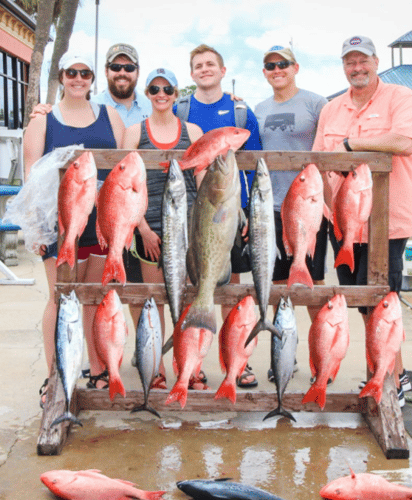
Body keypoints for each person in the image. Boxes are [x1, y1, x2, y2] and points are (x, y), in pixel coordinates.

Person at [312, 35, 412, 406]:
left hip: (387, 223)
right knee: (360, 303)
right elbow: (319, 159)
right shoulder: (331, 109)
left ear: (376, 62)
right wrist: (325, 212)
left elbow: (406, 142)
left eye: (363, 61)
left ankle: (394, 378)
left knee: (382, 303)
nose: (357, 68)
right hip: (343, 223)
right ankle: (378, 373)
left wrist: (353, 146)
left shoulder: (401, 97)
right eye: (350, 62)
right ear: (343, 66)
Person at [23, 50, 125, 403]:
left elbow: (126, 161)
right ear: (61, 76)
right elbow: (31, 176)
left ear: (93, 78)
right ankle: (53, 377)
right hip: (59, 222)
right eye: (71, 72)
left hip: (100, 222)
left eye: (85, 73)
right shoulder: (43, 120)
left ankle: (97, 369)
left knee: (93, 297)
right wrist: (36, 228)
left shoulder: (109, 115)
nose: (78, 78)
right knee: (59, 297)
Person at [175, 44, 263, 388]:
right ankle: (193, 364)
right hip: (188, 211)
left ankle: (237, 361)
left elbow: (256, 166)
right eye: (198, 65)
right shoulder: (182, 109)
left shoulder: (240, 112)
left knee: (232, 289)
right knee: (190, 283)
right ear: (192, 72)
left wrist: (248, 214)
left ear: (223, 70)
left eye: (211, 63)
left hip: (230, 212)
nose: (204, 69)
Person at [121, 68, 205, 389]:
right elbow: (126, 185)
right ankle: (155, 367)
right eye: (154, 88)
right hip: (149, 228)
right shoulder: (133, 133)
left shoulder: (192, 132)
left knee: (185, 300)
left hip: (184, 228)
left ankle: (190, 366)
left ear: (175, 93)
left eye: (167, 88)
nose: (161, 94)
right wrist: (140, 227)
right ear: (147, 92)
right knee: (153, 300)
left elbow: (200, 180)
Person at [253, 45, 328, 382]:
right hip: (272, 208)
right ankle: (284, 357)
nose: (276, 69)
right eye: (270, 65)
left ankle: (321, 361)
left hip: (310, 207)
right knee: (279, 289)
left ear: (295, 67)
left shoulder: (316, 103)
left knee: (315, 289)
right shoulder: (258, 109)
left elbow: (329, 147)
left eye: (282, 64)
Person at [90, 43, 152, 128]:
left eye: (129, 68)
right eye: (115, 67)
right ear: (106, 71)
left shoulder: (152, 108)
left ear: (138, 72)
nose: (122, 73)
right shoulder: (90, 107)